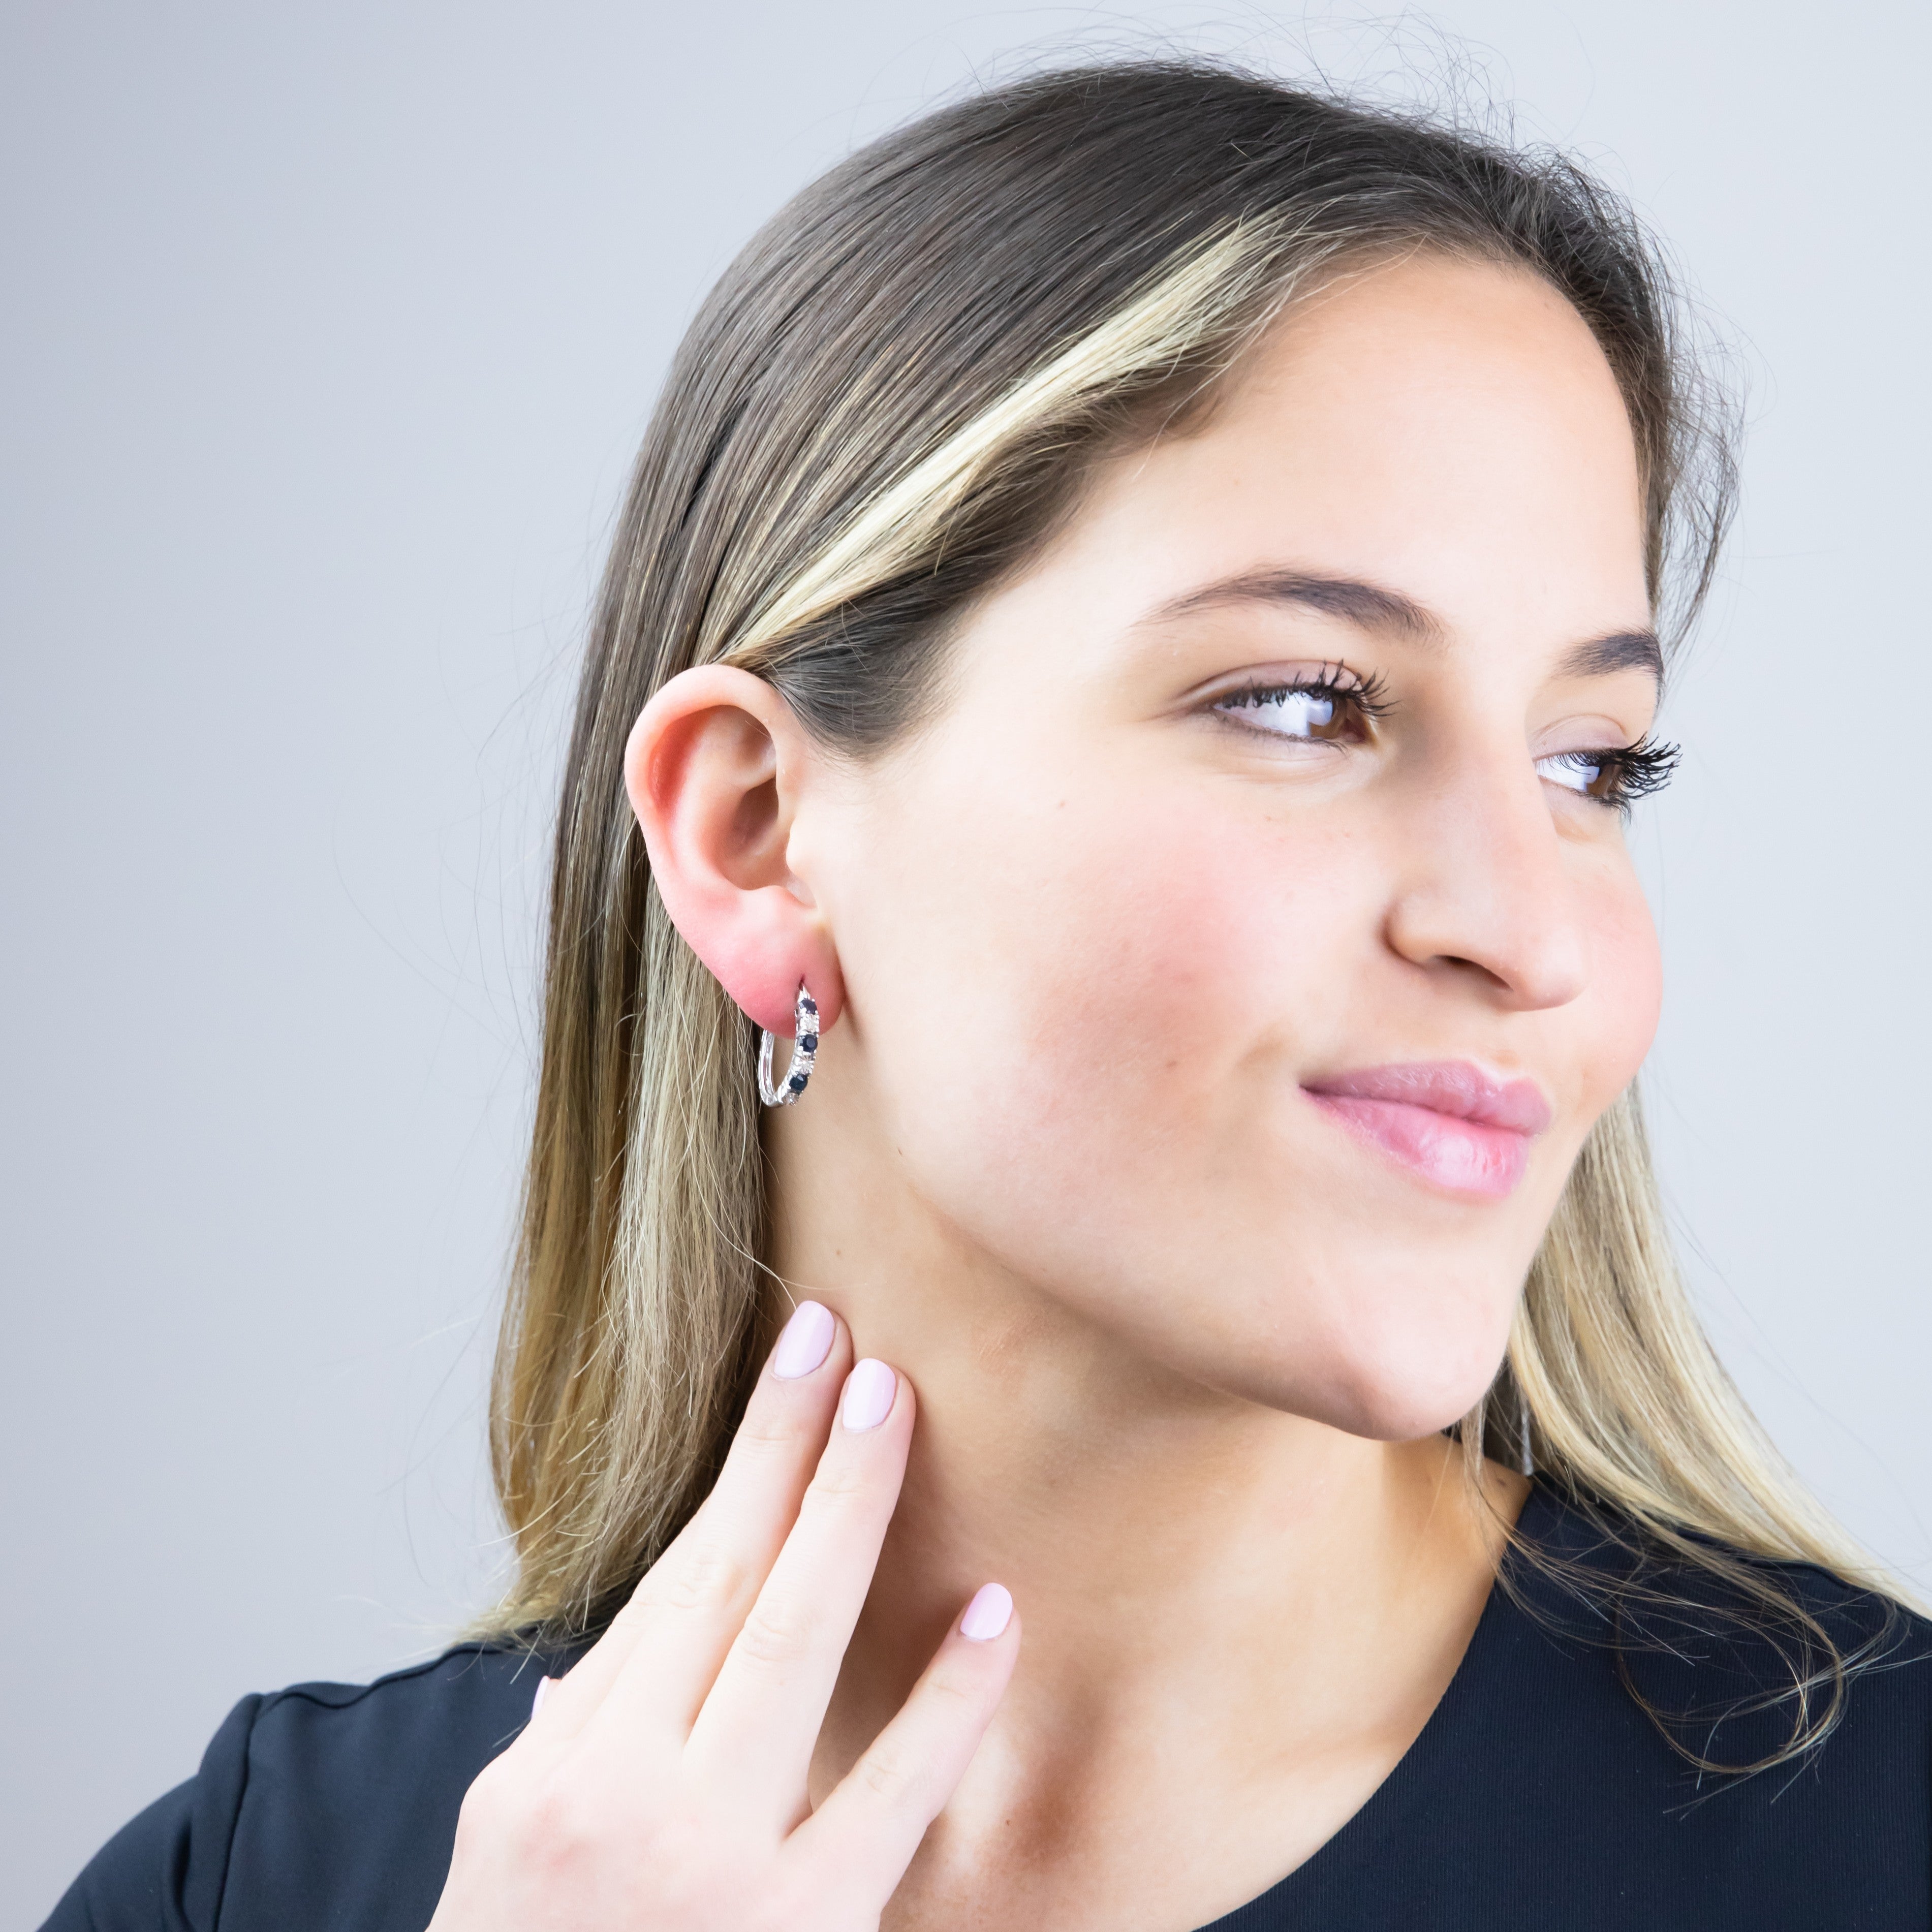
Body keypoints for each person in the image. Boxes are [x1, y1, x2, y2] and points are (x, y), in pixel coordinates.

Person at [45, 58, 1930, 1932]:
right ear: (756, 830)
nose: (1527, 933)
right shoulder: (257, 1887)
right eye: (1302, 702)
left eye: (1592, 764)